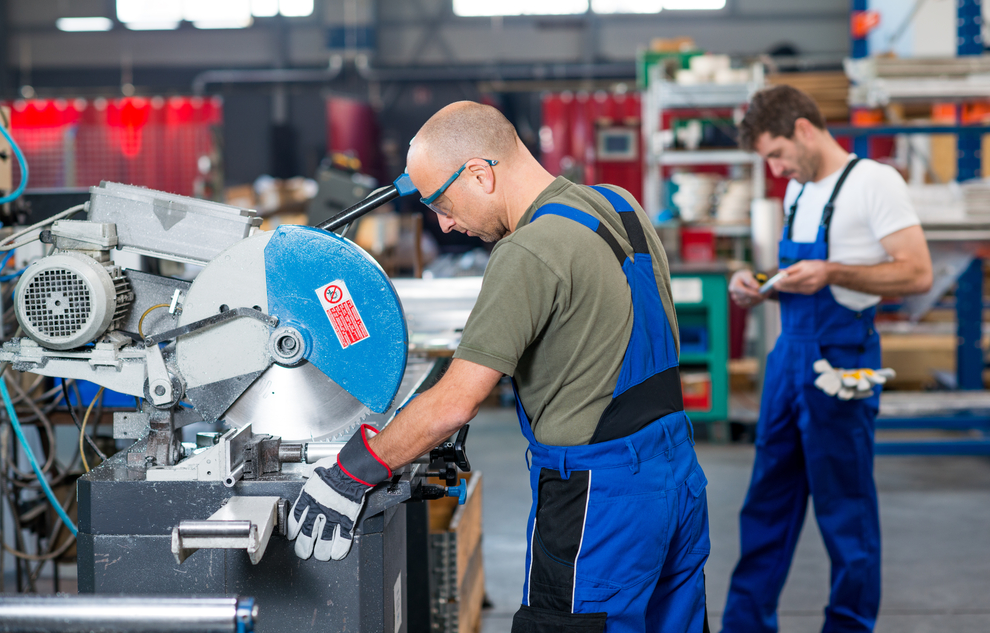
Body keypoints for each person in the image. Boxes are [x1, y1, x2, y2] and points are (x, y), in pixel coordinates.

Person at [287, 101, 711, 633]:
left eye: (440, 202)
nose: (443, 222)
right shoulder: (620, 206)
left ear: (481, 174)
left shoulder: (527, 252)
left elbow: (455, 402)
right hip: (676, 477)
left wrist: (349, 475)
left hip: (597, 502)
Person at [722, 85, 933, 633]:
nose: (775, 169)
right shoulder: (797, 192)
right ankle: (746, 625)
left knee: (846, 512)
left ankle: (848, 626)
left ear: (804, 130)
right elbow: (798, 275)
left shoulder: (874, 183)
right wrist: (759, 283)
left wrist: (835, 271)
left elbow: (917, 272)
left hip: (842, 360)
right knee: (766, 504)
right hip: (787, 358)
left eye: (776, 154)